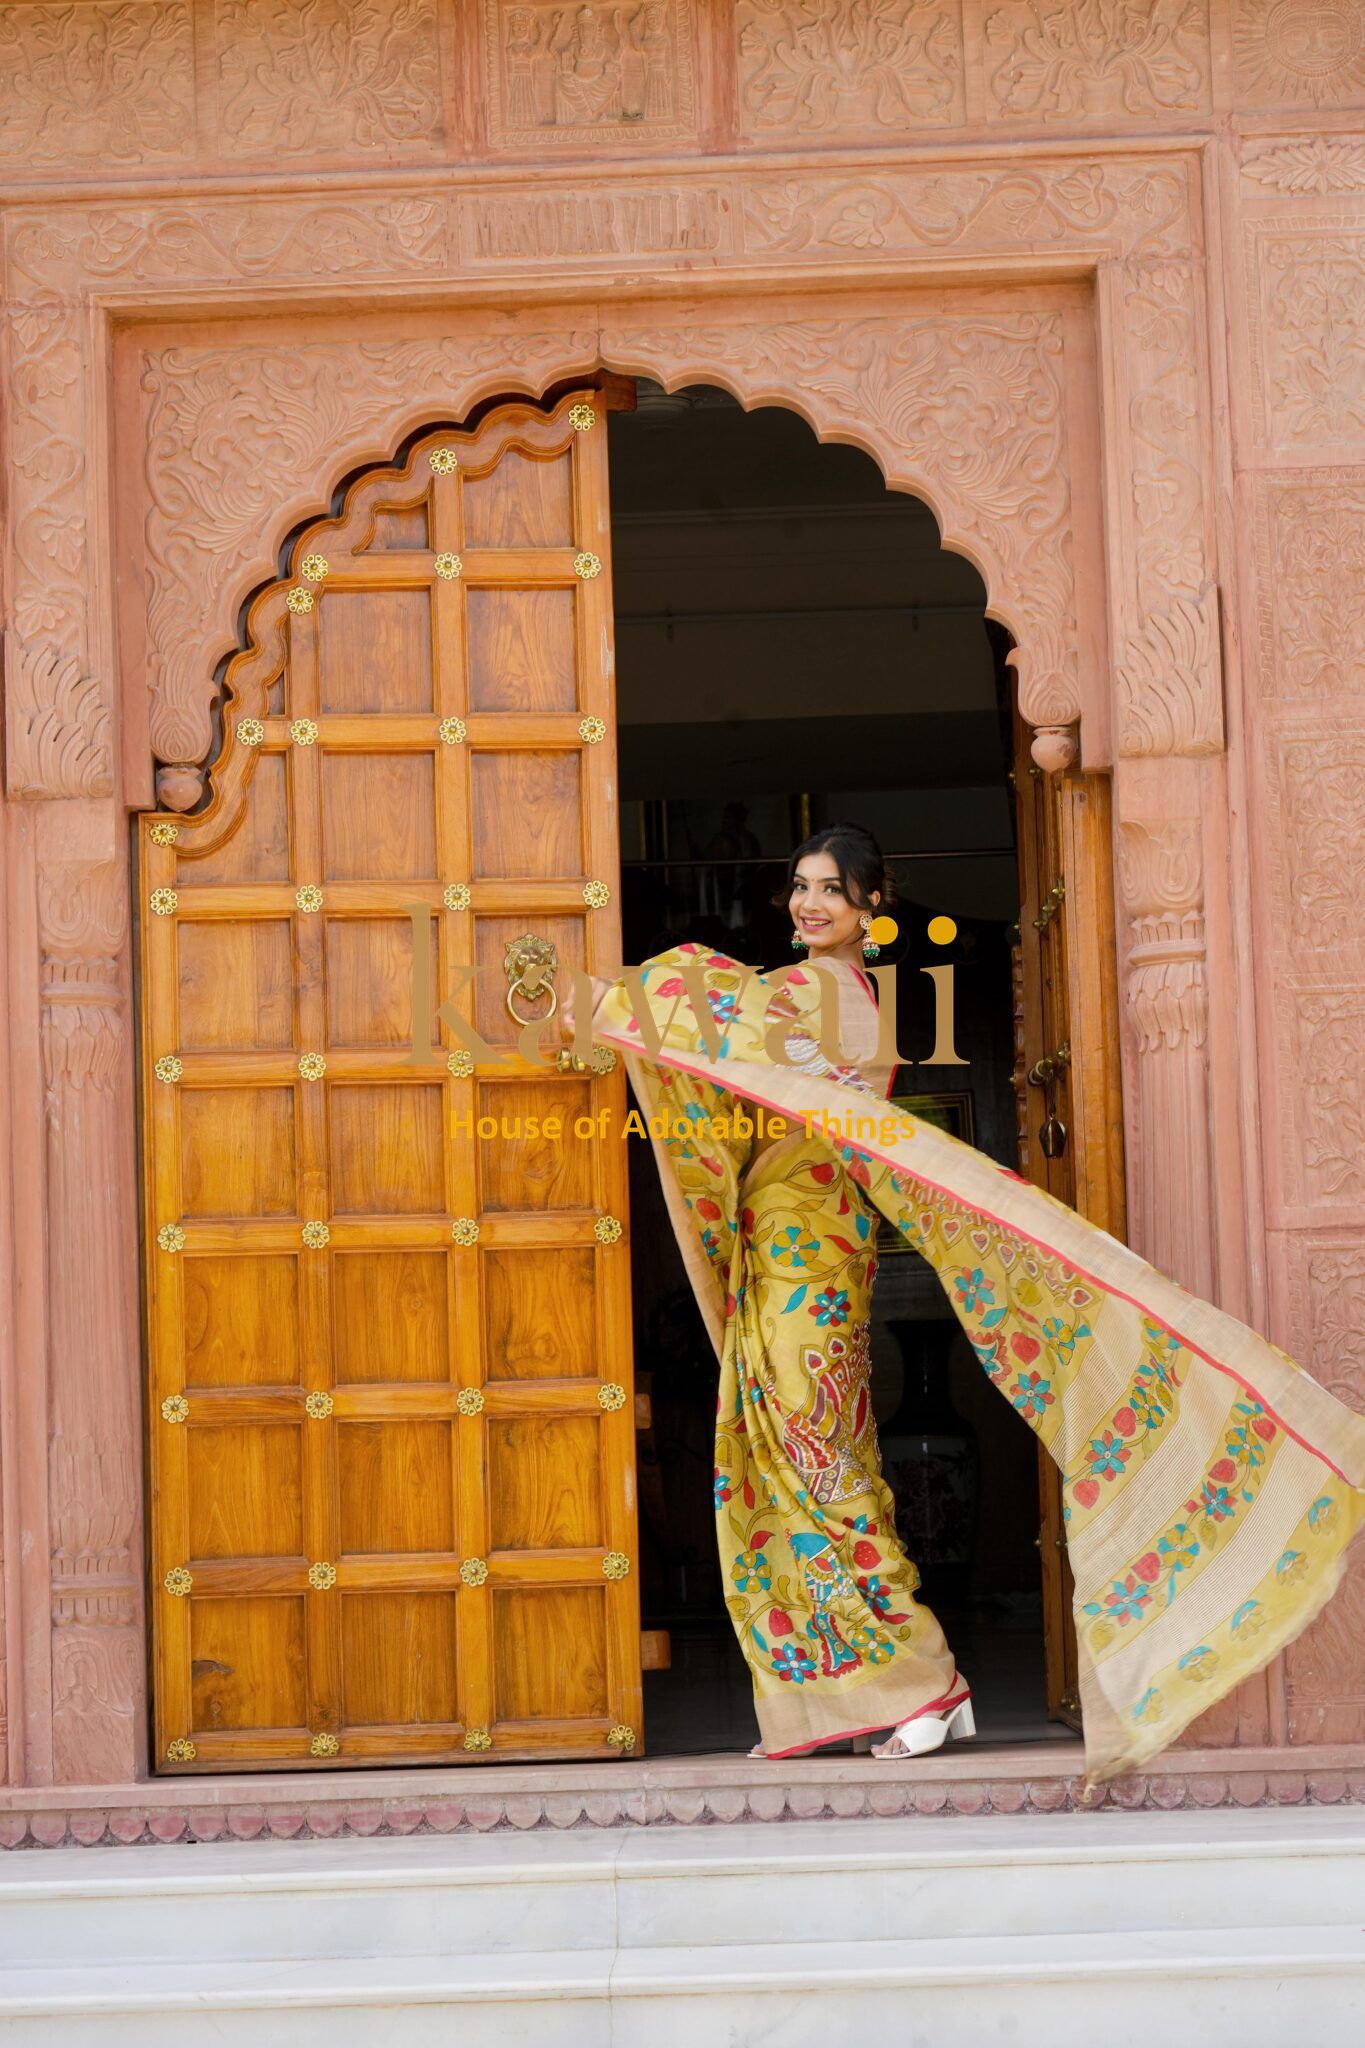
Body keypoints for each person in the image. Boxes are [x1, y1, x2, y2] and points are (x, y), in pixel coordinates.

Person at [569, 823, 1365, 1779]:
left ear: (871, 909)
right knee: (811, 1458)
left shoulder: (819, 995)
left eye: (830, 891)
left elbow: (696, 1013)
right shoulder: (825, 995)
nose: (807, 904)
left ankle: (922, 1682)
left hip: (807, 1260)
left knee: (819, 1464)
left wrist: (602, 994)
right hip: (797, 1251)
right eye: (798, 888)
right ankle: (868, 1693)